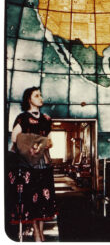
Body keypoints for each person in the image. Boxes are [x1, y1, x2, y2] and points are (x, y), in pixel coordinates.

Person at [7, 87, 57, 242]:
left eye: (41, 94)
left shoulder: (47, 119)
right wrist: (36, 142)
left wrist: (44, 144)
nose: (40, 97)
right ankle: (36, 233)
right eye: (36, 95)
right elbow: (16, 138)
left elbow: (50, 141)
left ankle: (40, 233)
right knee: (32, 200)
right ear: (29, 99)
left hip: (44, 163)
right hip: (28, 165)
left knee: (43, 201)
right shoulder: (22, 118)